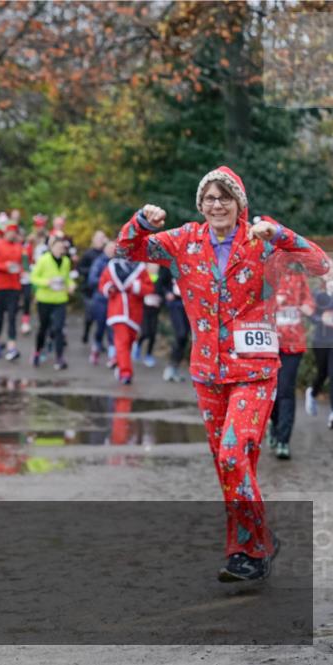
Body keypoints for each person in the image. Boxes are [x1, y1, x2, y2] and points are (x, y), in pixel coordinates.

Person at [115, 165, 330, 582]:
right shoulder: (183, 241)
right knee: (229, 465)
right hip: (208, 373)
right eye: (210, 198)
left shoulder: (261, 243)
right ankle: (248, 549)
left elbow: (319, 264)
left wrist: (280, 233)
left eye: (225, 198)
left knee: (233, 454)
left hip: (254, 371)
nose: (217, 205)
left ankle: (254, 544)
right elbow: (126, 251)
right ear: (201, 204)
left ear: (240, 205)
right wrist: (140, 222)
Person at [267, 260, 315, 459]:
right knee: (272, 391)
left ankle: (283, 441)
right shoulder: (264, 280)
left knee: (286, 390)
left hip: (292, 345)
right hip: (267, 345)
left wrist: (305, 306)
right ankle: (274, 426)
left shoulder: (298, 279)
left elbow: (310, 306)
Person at [99, 257, 153, 385]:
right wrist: (109, 288)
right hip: (117, 310)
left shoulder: (140, 268)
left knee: (129, 341)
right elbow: (102, 284)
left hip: (134, 312)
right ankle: (126, 372)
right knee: (122, 341)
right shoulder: (112, 267)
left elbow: (149, 288)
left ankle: (117, 359)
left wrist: (136, 287)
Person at [29, 237, 75, 370]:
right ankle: (37, 351)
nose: (60, 250)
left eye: (62, 248)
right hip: (44, 299)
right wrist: (46, 282)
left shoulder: (66, 261)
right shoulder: (44, 260)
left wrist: (71, 286)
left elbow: (67, 279)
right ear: (52, 248)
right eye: (58, 247)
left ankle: (59, 357)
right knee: (43, 328)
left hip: (60, 300)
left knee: (58, 329)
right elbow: (34, 277)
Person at [0, 218, 24, 360]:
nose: (12, 234)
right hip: (0, 286)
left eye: (15, 232)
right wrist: (4, 266)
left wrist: (21, 270)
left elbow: (23, 264)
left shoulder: (20, 247)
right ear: (5, 232)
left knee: (13, 316)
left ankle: (12, 347)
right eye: (10, 232)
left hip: (14, 286)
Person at [305, 272, 333, 428]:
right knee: (323, 373)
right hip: (321, 341)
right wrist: (320, 319)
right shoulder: (318, 294)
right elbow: (310, 314)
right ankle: (313, 392)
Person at [158, 266, 191, 382]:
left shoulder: (192, 261)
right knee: (181, 334)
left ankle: (174, 367)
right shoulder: (169, 264)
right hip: (175, 304)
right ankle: (171, 367)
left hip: (189, 303)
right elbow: (160, 282)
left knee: (185, 336)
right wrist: (167, 293)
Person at [87, 240, 117, 365]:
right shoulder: (99, 262)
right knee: (100, 327)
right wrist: (107, 284)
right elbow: (92, 280)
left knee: (112, 328)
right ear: (105, 249)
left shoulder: (118, 263)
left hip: (114, 301)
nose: (111, 250)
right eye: (109, 248)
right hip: (100, 300)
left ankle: (112, 355)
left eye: (113, 248)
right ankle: (96, 349)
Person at [79, 230, 108, 347]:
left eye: (103, 238)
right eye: (98, 238)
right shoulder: (88, 254)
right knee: (90, 314)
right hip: (89, 290)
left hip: (102, 291)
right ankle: (86, 332)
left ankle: (99, 341)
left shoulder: (107, 254)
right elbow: (80, 269)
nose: (100, 240)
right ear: (93, 239)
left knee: (103, 317)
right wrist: (92, 270)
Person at [135, 263, 163, 368]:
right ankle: (137, 346)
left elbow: (163, 290)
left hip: (155, 308)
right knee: (145, 332)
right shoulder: (143, 277)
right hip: (144, 308)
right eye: (152, 266)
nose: (154, 268)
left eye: (156, 266)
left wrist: (161, 297)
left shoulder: (160, 278)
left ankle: (148, 355)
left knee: (153, 333)